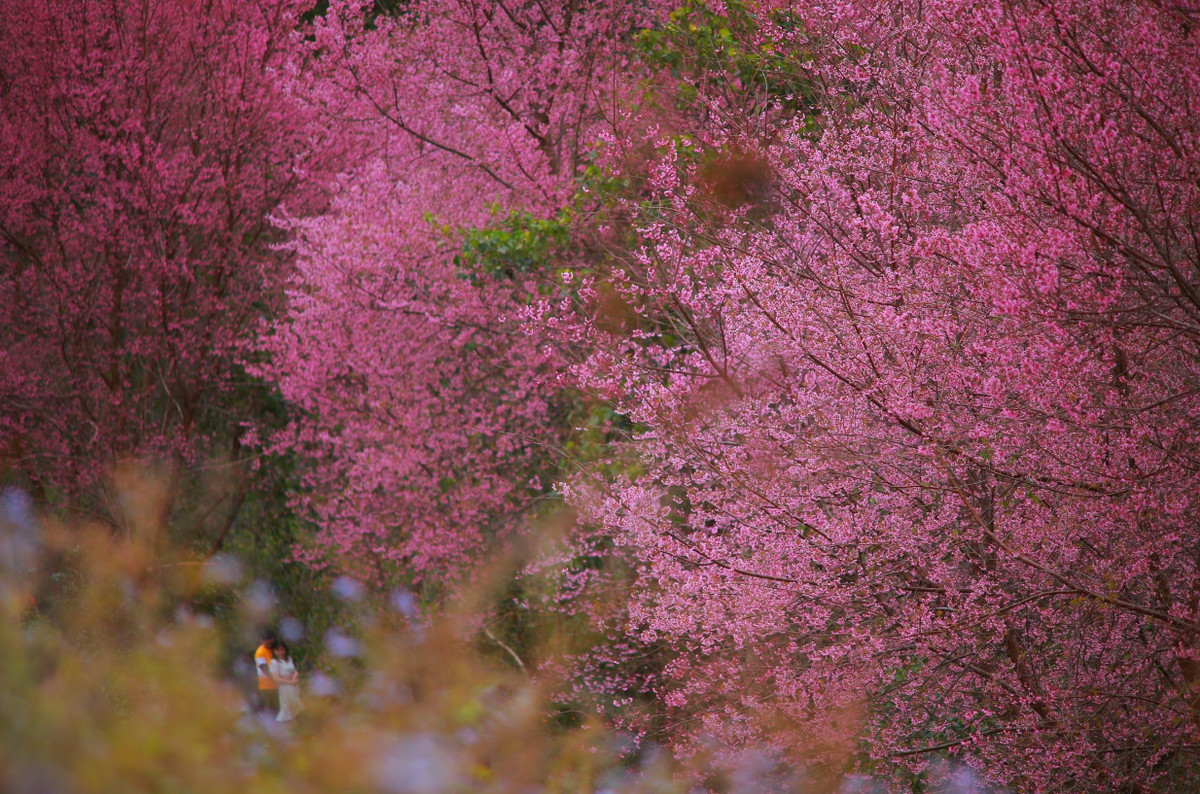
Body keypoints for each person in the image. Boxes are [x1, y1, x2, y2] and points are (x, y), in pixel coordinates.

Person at [269, 642, 304, 722]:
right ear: (274, 651)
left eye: (282, 650)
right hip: (285, 688)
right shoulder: (274, 662)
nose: (281, 652)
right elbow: (276, 678)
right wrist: (288, 681)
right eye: (278, 650)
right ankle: (281, 724)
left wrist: (295, 676)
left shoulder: (289, 659)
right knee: (287, 708)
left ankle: (296, 723)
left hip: (293, 686)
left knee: (296, 706)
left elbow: (294, 670)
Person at [254, 630, 278, 715]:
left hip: (274, 685)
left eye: (271, 643)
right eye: (268, 643)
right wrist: (275, 679)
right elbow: (264, 668)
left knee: (276, 708)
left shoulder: (273, 649)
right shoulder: (260, 652)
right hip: (265, 685)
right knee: (268, 709)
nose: (270, 645)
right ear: (262, 641)